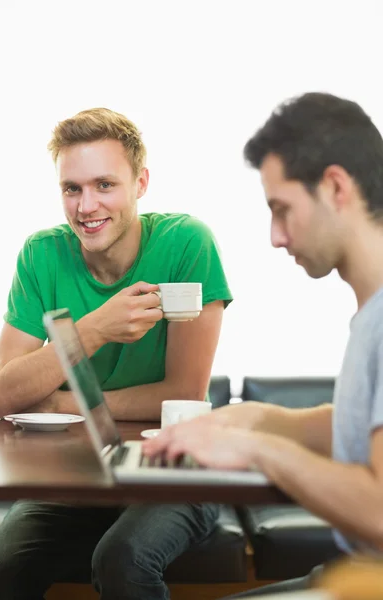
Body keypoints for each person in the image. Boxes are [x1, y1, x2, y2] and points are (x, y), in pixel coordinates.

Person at [0, 107, 233, 599]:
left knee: (122, 560)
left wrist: (61, 402)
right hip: (79, 472)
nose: (86, 206)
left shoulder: (187, 243)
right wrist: (94, 329)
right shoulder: (41, 254)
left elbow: (183, 392)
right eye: (71, 189)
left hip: (176, 471)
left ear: (140, 182)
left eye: (104, 184)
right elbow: (5, 395)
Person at [144, 92, 383, 596]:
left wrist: (257, 447)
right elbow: (359, 427)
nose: (275, 236)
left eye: (282, 209)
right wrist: (255, 419)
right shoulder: (372, 312)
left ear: (336, 187)